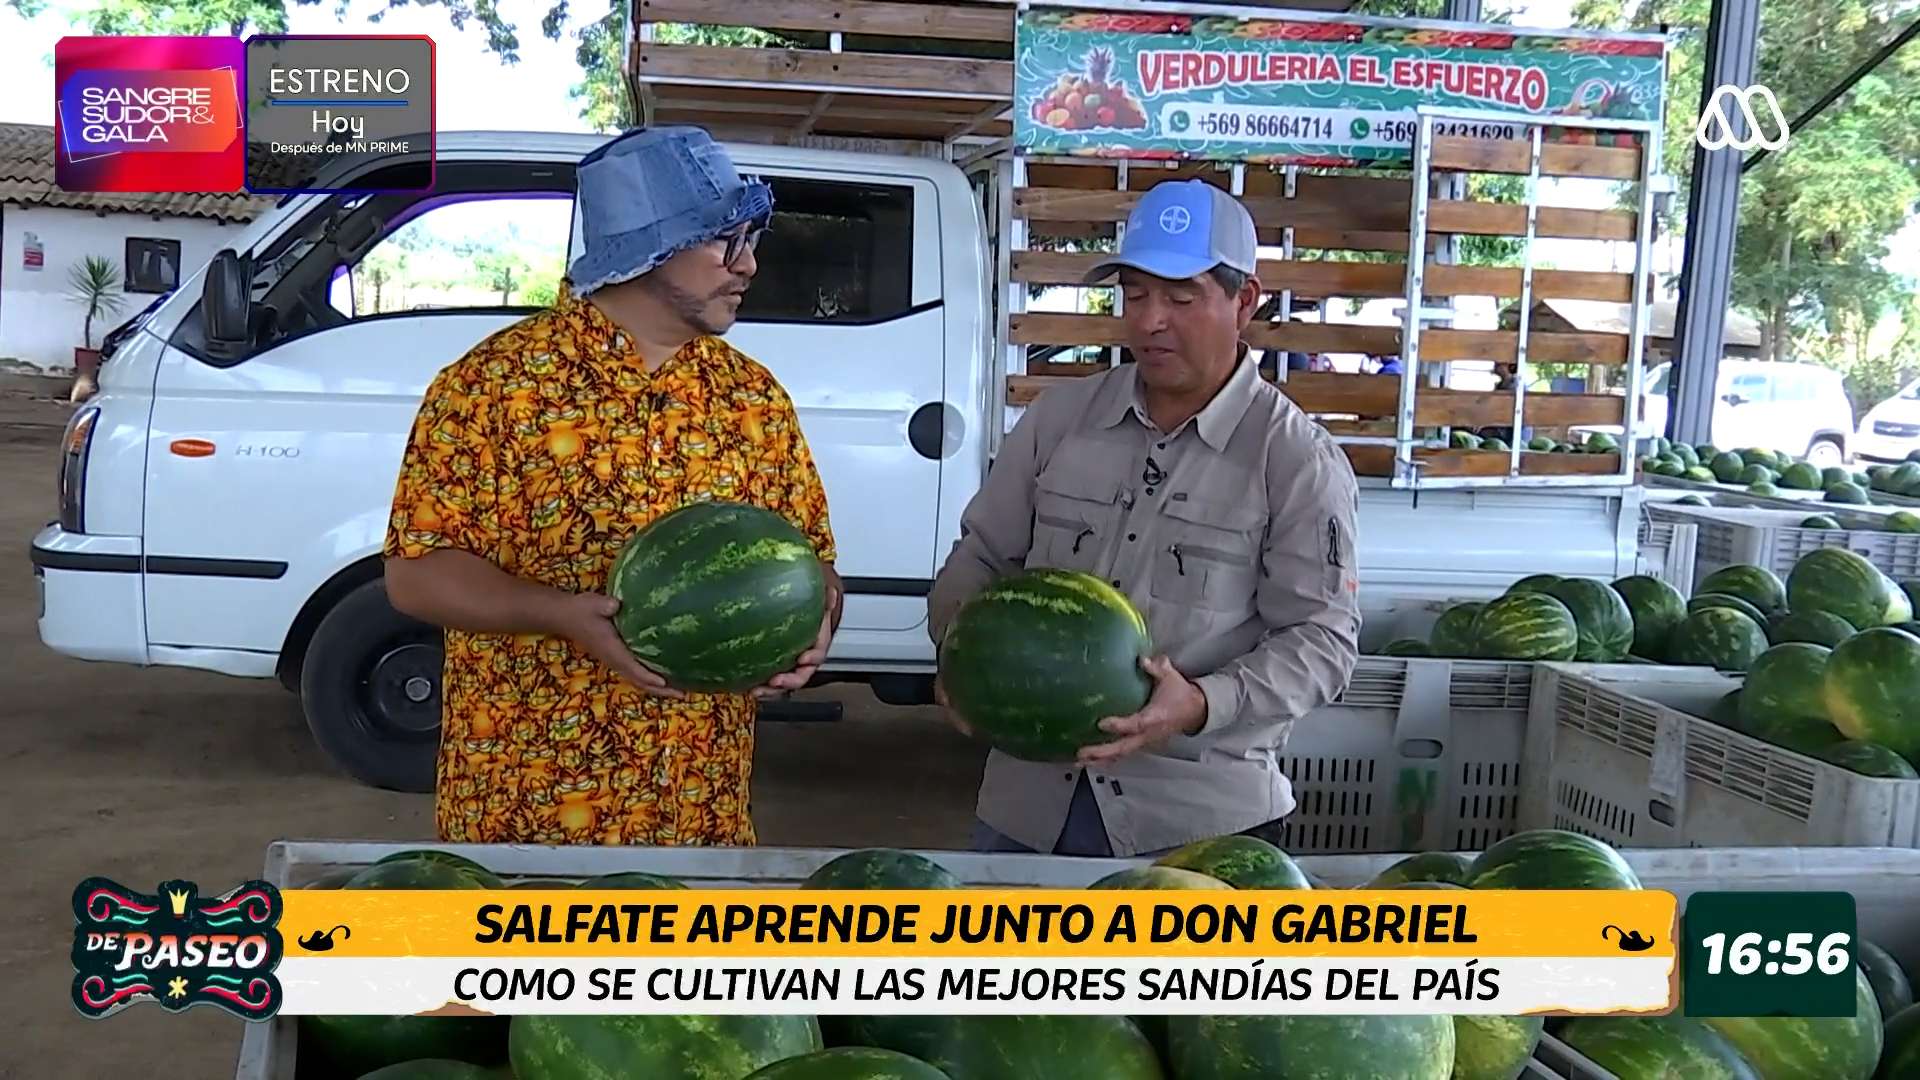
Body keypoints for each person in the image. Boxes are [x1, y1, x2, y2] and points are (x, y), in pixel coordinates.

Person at [382, 126, 842, 847]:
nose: (748, 264)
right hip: (527, 813)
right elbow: (416, 575)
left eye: (753, 237)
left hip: (699, 815)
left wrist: (814, 624)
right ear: (646, 248)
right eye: (724, 240)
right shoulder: (492, 387)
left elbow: (814, 562)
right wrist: (559, 613)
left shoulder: (753, 399)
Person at [926, 178, 1362, 858]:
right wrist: (956, 648)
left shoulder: (1295, 458)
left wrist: (1202, 702)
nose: (1149, 320)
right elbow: (981, 556)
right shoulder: (1059, 421)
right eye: (1134, 294)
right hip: (1028, 811)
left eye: (1180, 297)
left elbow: (1321, 641)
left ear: (1244, 300)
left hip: (1196, 826)